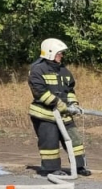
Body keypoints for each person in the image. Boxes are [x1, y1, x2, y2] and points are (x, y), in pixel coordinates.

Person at [28, 38, 91, 176]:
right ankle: (51, 169)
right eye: (59, 53)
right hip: (45, 114)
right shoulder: (38, 70)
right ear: (50, 52)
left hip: (64, 114)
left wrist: (73, 104)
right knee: (49, 142)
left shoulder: (63, 71)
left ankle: (80, 167)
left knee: (75, 141)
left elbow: (70, 90)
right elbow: (39, 92)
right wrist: (58, 103)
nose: (62, 56)